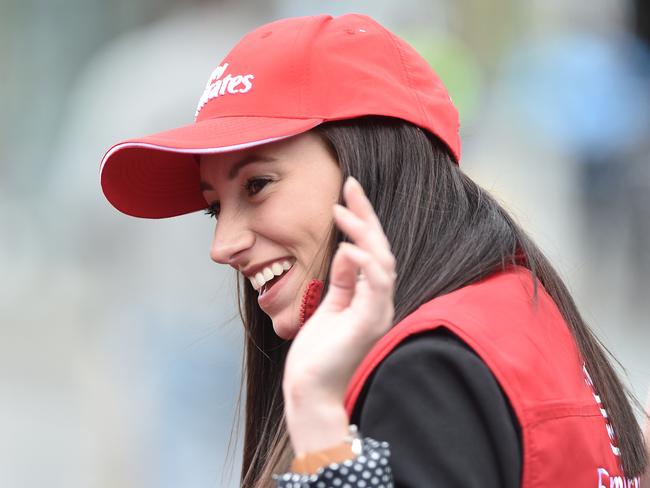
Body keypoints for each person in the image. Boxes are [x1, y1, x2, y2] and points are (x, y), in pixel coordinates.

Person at [99, 13, 648, 487]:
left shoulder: (425, 372)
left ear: (370, 165)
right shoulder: (511, 310)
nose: (224, 246)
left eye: (258, 185)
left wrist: (319, 427)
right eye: (214, 207)